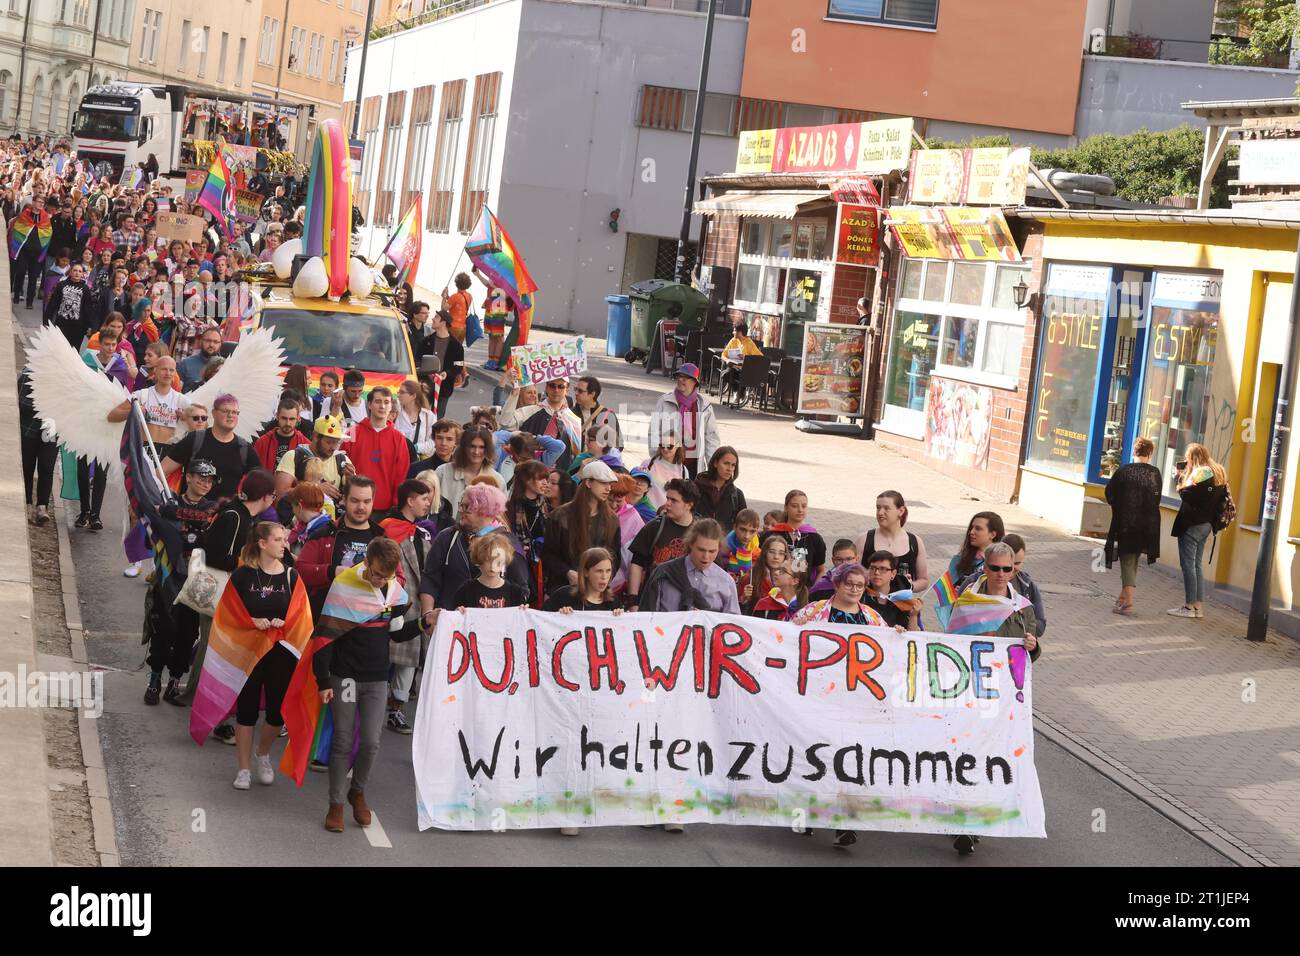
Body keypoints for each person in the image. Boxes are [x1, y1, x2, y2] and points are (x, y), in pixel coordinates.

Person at [201, 522, 313, 790]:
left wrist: (282, 623)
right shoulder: (242, 576)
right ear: (262, 543)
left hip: (281, 654)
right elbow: (226, 613)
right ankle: (243, 769)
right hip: (248, 653)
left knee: (277, 713)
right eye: (278, 539)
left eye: (284, 539)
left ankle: (262, 754)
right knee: (246, 711)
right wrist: (252, 620)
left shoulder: (291, 576)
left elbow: (303, 616)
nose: (284, 544)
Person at [314, 537, 413, 832]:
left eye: (386, 575)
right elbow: (324, 637)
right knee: (343, 740)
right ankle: (336, 804)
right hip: (344, 676)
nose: (380, 579)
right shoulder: (344, 585)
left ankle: (357, 791)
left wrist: (423, 623)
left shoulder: (393, 590)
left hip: (376, 677)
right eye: (376, 573)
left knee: (371, 742)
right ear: (366, 562)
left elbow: (395, 633)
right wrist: (322, 680)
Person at [185, 470, 279, 739]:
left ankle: (201, 704)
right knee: (215, 654)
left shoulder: (240, 514)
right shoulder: (236, 517)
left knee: (213, 652)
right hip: (221, 595)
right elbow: (216, 556)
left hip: (225, 595)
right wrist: (247, 564)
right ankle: (207, 711)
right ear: (266, 497)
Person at [145, 460, 220, 705]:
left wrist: (170, 513)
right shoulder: (172, 500)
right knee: (164, 628)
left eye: (209, 480)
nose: (205, 483)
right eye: (200, 477)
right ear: (188, 477)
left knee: (187, 633)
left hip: (196, 578)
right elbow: (158, 519)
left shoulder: (211, 507)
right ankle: (155, 679)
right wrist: (167, 513)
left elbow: (204, 517)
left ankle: (175, 682)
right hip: (169, 575)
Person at [417, 484, 533, 633]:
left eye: (466, 507)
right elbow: (430, 578)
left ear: (485, 510)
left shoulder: (508, 544)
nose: (461, 511)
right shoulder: (448, 537)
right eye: (461, 505)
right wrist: (428, 617)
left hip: (493, 631)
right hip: (450, 626)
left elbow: (521, 589)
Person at [381, 480, 436, 735]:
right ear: (410, 500)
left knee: (408, 660)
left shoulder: (420, 531)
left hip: (415, 599)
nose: (428, 503)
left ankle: (396, 707)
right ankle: (376, 702)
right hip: (393, 599)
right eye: (424, 499)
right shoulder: (388, 530)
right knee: (387, 655)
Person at [297, 474, 385, 612]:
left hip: (370, 624)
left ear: (373, 501)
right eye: (355, 501)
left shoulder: (383, 538)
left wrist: (383, 581)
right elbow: (300, 570)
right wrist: (332, 571)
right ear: (344, 500)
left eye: (367, 501)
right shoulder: (324, 533)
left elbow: (399, 577)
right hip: (328, 622)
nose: (361, 507)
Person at [542, 460, 622, 596]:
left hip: (596, 594)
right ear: (588, 483)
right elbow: (548, 554)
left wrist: (602, 580)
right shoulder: (560, 515)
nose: (608, 488)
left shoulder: (611, 519)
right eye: (603, 482)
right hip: (563, 590)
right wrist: (567, 572)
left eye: (609, 484)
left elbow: (615, 556)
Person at [1169, 443, 1229, 619]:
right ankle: (1198, 607)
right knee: (1196, 565)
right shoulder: (1218, 470)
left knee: (1188, 565)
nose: (1186, 462)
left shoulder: (1200, 472)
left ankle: (1188, 607)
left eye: (1188, 459)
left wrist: (1180, 478)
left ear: (1192, 458)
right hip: (1207, 524)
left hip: (1192, 524)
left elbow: (1188, 495)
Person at [638, 520, 740, 623]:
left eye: (712, 551)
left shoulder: (726, 582)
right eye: (701, 549)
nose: (706, 556)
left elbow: (733, 626)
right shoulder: (664, 573)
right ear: (690, 544)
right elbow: (645, 619)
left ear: (719, 548)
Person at [1105, 437, 1163, 616]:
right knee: (1133, 559)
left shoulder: (1124, 471)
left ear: (1134, 452)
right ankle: (1122, 598)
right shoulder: (1155, 473)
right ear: (1150, 453)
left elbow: (1110, 493)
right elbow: (1157, 497)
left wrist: (1120, 506)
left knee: (1128, 559)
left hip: (1126, 523)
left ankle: (1128, 603)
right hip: (1148, 525)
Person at [162, 394, 258, 499]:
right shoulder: (195, 439)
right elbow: (162, 471)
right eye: (225, 411)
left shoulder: (244, 448)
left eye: (235, 412)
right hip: (191, 512)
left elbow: (260, 484)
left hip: (225, 513)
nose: (230, 415)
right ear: (214, 413)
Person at [625, 478, 699, 610]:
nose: (667, 504)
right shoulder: (654, 527)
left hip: (687, 608)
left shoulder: (700, 532)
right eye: (667, 498)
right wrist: (633, 602)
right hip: (653, 603)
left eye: (674, 500)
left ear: (689, 505)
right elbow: (636, 564)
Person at [647, 363, 720, 479]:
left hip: (693, 466)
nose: (680, 380)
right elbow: (654, 431)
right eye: (679, 376)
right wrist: (656, 459)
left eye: (685, 377)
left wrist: (713, 469)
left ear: (694, 382)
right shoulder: (664, 401)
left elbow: (711, 439)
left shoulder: (705, 407)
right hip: (667, 462)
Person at [344, 386, 410, 513]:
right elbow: (342, 466)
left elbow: (401, 476)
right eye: (378, 401)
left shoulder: (399, 439)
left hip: (385, 508)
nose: (382, 406)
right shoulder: (352, 432)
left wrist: (396, 504)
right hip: (355, 504)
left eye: (386, 402)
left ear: (391, 406)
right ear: (369, 405)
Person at [853, 490, 930, 595]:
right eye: (878, 507)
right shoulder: (864, 540)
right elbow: (851, 575)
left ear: (901, 511)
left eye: (886, 508)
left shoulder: (915, 542)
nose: (880, 512)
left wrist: (909, 586)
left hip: (901, 607)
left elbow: (924, 580)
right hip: (869, 606)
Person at [276, 414, 355, 503]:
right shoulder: (293, 456)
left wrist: (350, 481)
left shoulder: (342, 460)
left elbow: (355, 497)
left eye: (336, 443)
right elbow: (281, 494)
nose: (334, 447)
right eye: (329, 442)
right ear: (315, 436)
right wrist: (315, 489)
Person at [506, 460, 551, 607]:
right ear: (526, 480)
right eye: (540, 479)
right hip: (517, 566)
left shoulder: (547, 509)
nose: (546, 483)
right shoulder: (509, 509)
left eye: (547, 479)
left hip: (544, 566)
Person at [18, 364, 58, 526]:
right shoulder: (28, 375)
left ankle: (42, 506)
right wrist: (41, 406)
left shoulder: (61, 378)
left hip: (50, 428)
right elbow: (20, 401)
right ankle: (27, 503)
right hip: (29, 428)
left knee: (47, 467)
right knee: (27, 467)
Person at [452, 532, 530, 609]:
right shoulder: (466, 591)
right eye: (488, 559)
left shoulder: (515, 593)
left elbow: (521, 620)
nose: (493, 565)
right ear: (479, 559)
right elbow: (453, 619)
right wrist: (457, 614)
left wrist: (524, 613)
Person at [518, 378, 582, 470]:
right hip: (530, 471)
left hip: (558, 477)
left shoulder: (573, 420)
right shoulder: (532, 411)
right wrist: (515, 393)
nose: (556, 390)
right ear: (546, 388)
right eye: (552, 385)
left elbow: (575, 455)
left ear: (567, 390)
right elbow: (506, 422)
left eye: (561, 387)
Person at [414, 308, 466, 420]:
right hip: (425, 386)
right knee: (421, 415)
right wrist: (427, 372)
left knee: (437, 418)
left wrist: (446, 374)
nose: (432, 319)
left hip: (444, 388)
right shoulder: (426, 341)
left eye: (436, 317)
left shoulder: (456, 346)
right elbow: (417, 360)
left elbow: (458, 366)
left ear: (443, 323)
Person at [435, 426, 497, 519]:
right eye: (472, 446)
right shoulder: (442, 472)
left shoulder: (496, 480)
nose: (476, 452)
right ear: (464, 447)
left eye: (481, 447)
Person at [544, 547, 624, 613]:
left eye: (608, 571)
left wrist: (621, 618)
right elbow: (540, 620)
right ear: (585, 572)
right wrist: (558, 616)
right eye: (599, 571)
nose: (604, 576)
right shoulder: (563, 596)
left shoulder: (614, 603)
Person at [773, 490, 827, 584]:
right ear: (786, 508)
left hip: (804, 592)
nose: (800, 510)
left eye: (804, 506)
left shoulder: (814, 538)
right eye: (794, 506)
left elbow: (821, 570)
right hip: (774, 590)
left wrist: (812, 592)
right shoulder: (773, 535)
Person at [44, 262, 96, 349]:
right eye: (75, 270)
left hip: (77, 327)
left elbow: (88, 308)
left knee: (73, 351)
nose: (77, 273)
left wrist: (88, 326)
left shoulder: (85, 289)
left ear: (83, 274)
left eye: (80, 271)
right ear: (70, 272)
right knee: (59, 349)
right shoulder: (62, 285)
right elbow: (53, 303)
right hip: (61, 324)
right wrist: (47, 320)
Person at [694, 446, 747, 530]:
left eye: (733, 465)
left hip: (725, 542)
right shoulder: (695, 489)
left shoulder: (737, 495)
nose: (729, 469)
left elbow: (744, 525)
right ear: (715, 463)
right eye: (726, 463)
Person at [718, 508, 761, 607]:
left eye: (752, 531)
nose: (747, 536)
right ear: (735, 527)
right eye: (743, 529)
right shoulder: (724, 550)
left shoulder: (757, 552)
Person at [254, 397, 311, 472]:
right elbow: (252, 471)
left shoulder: (305, 444)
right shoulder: (262, 442)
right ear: (277, 416)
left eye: (292, 419)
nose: (288, 423)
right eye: (284, 418)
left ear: (298, 418)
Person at [861, 551, 914, 630]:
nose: (876, 572)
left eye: (883, 569)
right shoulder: (860, 595)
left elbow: (913, 636)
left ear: (893, 573)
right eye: (872, 568)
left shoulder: (902, 597)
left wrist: (914, 616)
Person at [949, 511, 1005, 582]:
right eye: (971, 528)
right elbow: (947, 590)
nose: (971, 532)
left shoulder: (1004, 561)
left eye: (978, 529)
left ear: (993, 534)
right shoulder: (959, 559)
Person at [572, 375, 622, 451]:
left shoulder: (607, 415)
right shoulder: (570, 413)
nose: (576, 393)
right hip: (574, 461)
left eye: (580, 391)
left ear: (592, 394)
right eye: (575, 389)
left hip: (597, 461)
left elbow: (618, 446)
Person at [719, 321, 763, 402]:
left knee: (741, 376)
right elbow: (723, 354)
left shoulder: (749, 343)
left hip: (746, 370)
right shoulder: (733, 340)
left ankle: (739, 392)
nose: (733, 332)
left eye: (734, 330)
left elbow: (760, 358)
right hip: (733, 367)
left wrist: (745, 357)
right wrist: (727, 360)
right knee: (725, 374)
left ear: (740, 332)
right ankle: (737, 391)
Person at [639, 435, 686, 509]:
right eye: (662, 446)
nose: (665, 449)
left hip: (668, 513)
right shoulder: (648, 464)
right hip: (646, 510)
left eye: (669, 446)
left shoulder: (683, 470)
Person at [394, 380, 437, 457]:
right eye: (398, 392)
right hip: (396, 457)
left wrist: (416, 448)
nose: (398, 395)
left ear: (413, 396)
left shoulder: (428, 416)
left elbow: (433, 442)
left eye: (402, 392)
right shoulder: (395, 413)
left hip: (417, 461)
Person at [177, 326, 224, 392]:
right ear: (201, 341)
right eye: (208, 340)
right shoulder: (185, 364)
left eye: (215, 342)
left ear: (220, 344)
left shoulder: (226, 366)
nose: (211, 345)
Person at [441, 272, 474, 345]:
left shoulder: (455, 296)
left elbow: (443, 309)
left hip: (453, 326)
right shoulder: (469, 296)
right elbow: (459, 305)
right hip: (463, 327)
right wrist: (448, 297)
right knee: (457, 349)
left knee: (449, 347)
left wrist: (444, 297)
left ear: (456, 283)